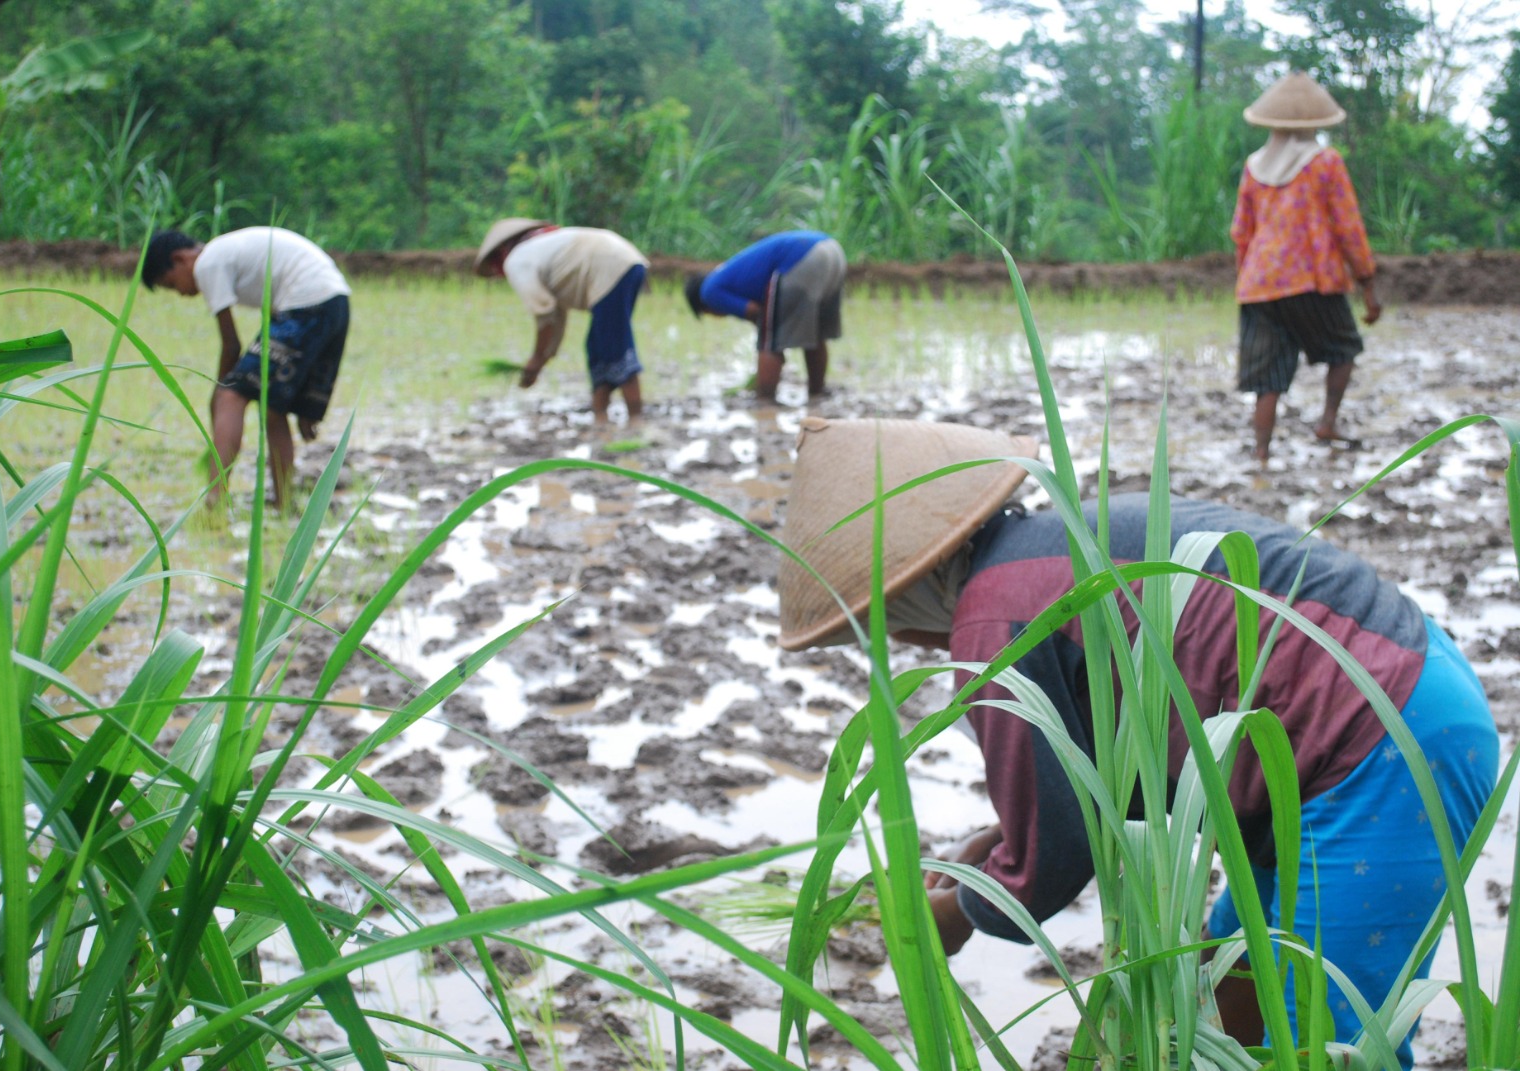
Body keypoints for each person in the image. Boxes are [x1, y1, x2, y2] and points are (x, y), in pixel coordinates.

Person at [777, 417, 1497, 1068]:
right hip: (1403, 689)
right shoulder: (1054, 544)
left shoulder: (990, 623)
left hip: (1378, 745)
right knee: (1227, 996)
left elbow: (1053, 855)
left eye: (882, 623)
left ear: (905, 591)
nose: (907, 642)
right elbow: (1104, 778)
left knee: (1325, 1041)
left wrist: (960, 913)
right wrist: (992, 849)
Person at [142, 226, 351, 511]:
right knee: (273, 408)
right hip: (336, 301)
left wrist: (220, 392)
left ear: (179, 259)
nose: (180, 293)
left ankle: (214, 502)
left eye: (171, 284)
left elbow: (231, 344)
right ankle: (284, 503)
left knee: (231, 397)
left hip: (307, 302)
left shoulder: (207, 264)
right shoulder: (230, 252)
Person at [1231, 72, 1381, 465]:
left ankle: (1261, 452)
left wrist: (1246, 278)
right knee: (1343, 349)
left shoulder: (1254, 166)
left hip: (1259, 283)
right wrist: (1367, 282)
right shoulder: (1325, 162)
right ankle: (1327, 422)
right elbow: (1348, 226)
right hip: (1310, 278)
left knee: (1267, 378)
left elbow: (1241, 232)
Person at [474, 218, 648, 424]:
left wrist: (536, 359)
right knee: (597, 346)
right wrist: (544, 358)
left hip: (612, 267)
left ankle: (636, 420)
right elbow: (556, 315)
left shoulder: (517, 260)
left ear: (501, 252)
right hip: (624, 260)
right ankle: (601, 418)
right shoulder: (541, 249)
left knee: (615, 346)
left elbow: (544, 313)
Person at [684, 230, 846, 403]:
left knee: (768, 342)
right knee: (815, 334)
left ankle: (765, 401)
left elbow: (756, 312)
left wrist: (774, 347)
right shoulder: (725, 275)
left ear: (703, 306)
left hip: (801, 259)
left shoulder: (708, 292)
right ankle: (817, 393)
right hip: (832, 251)